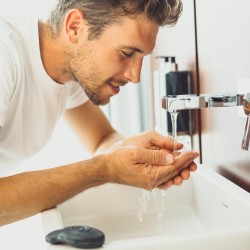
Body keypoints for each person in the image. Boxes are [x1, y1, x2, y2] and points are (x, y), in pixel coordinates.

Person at [0, 0, 199, 226]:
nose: (135, 76)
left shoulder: (70, 68)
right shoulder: (5, 53)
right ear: (75, 27)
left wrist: (134, 155)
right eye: (126, 53)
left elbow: (102, 139)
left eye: (142, 58)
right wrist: (104, 169)